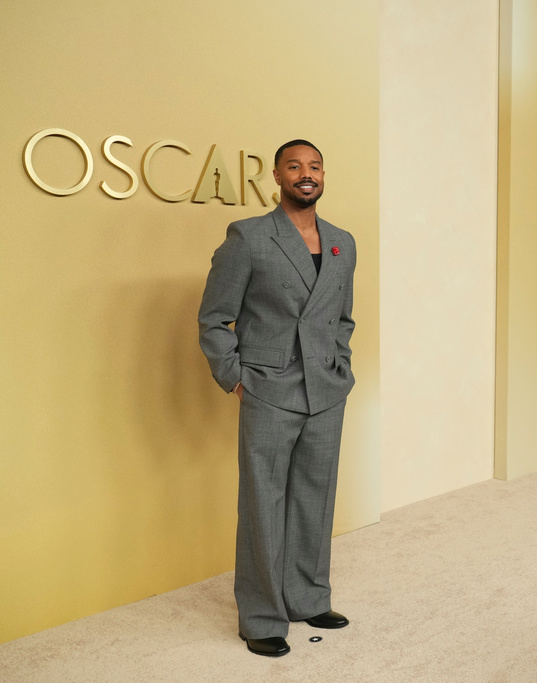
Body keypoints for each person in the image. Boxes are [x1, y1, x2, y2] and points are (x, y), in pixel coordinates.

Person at [198, 140, 356, 657]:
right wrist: (237, 377)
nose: (305, 174)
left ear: (324, 176)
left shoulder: (342, 242)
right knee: (263, 503)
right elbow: (215, 318)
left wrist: (341, 365)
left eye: (314, 167)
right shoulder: (248, 237)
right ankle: (262, 616)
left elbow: (342, 317)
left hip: (325, 390)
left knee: (316, 496)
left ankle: (307, 596)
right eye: (295, 166)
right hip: (269, 387)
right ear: (278, 176)